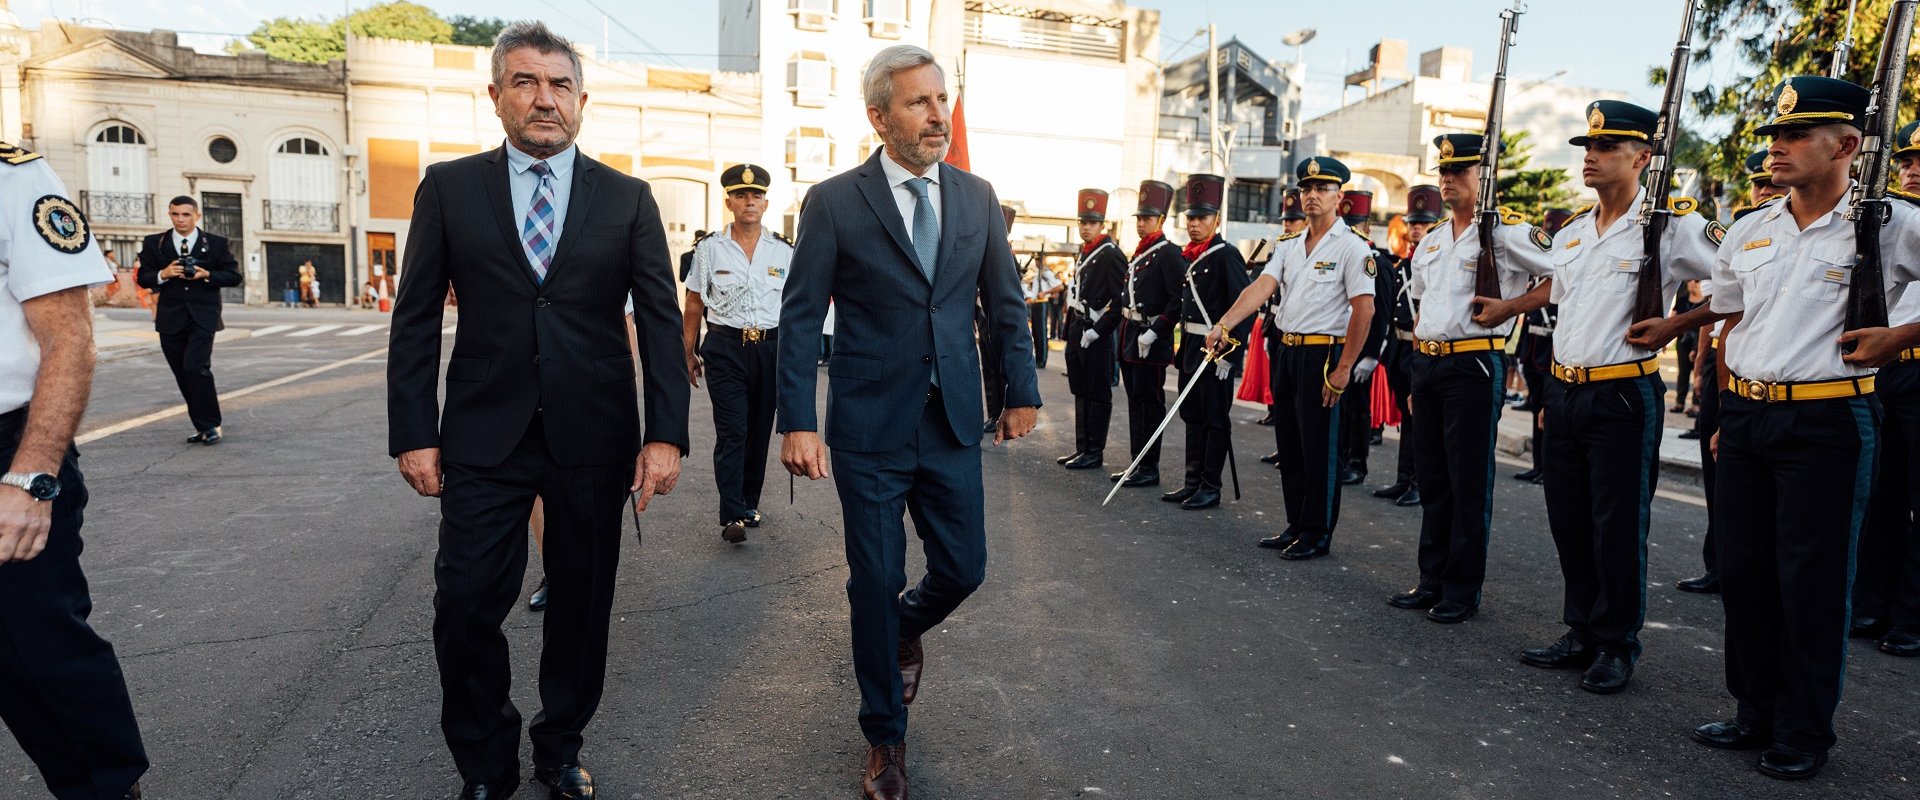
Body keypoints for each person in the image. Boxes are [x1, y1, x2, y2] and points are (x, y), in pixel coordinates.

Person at [385, 22, 689, 799]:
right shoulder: (450, 189)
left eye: (559, 85)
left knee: (583, 607)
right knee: (463, 604)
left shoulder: (627, 199)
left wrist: (666, 437)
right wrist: (414, 433)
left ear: (582, 101)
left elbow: (659, 321)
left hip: (595, 433)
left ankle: (559, 747)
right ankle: (486, 764)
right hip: (485, 435)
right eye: (525, 82)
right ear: (496, 97)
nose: (544, 98)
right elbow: (415, 315)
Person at [774, 44, 1039, 800]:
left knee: (964, 568)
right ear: (878, 116)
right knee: (876, 578)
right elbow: (799, 320)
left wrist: (1019, 390)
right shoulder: (834, 201)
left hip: (952, 419)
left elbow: (1006, 305)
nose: (937, 115)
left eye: (941, 99)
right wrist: (798, 419)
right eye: (919, 103)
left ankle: (903, 627)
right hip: (868, 425)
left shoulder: (977, 195)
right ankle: (884, 737)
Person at [1688, 76, 1920, 781]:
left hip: (1827, 417)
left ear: (1847, 145)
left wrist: (1900, 338)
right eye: (1774, 135)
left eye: (1796, 134)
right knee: (1746, 572)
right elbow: (1733, 319)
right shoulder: (1752, 228)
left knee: (1812, 581)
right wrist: (1727, 412)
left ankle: (1803, 729)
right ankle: (1753, 709)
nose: (1777, 146)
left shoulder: (1891, 221)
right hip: (1752, 415)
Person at [1517, 100, 1719, 696]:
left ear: (1643, 157)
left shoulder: (1672, 224)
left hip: (1624, 394)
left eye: (1605, 148)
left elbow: (1743, 284)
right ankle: (1580, 630)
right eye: (1587, 147)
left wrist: (1678, 324)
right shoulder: (1574, 232)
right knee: (1569, 521)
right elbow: (1571, 313)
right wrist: (1554, 388)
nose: (1591, 156)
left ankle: (1615, 643)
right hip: (1570, 390)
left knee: (1617, 525)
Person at [0, 142, 147, 800]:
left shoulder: (14, 178)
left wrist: (31, 475)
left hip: (9, 450)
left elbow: (69, 335)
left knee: (37, 657)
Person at [1389, 133, 1553, 624]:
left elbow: (1565, 275)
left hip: (1474, 364)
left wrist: (1511, 306)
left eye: (1460, 171)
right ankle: (1431, 578)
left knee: (1467, 480)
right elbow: (1422, 304)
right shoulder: (1434, 238)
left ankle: (1461, 588)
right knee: (1433, 476)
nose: (1448, 179)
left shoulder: (1508, 234)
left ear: (1485, 177)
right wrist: (1420, 367)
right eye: (1444, 172)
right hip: (1431, 364)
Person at [1206, 156, 1375, 557]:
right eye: (1307, 189)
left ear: (1340, 197)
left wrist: (1344, 368)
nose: (1312, 196)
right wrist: (1224, 324)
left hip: (1324, 353)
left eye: (1322, 189)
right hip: (1288, 350)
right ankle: (1296, 523)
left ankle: (1317, 532)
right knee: (1292, 444)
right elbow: (1260, 288)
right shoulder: (1289, 245)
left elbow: (1364, 309)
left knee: (1319, 449)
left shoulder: (1352, 247)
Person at [1678, 149, 1784, 595]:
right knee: (1719, 478)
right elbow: (1721, 311)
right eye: (1758, 184)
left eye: (1770, 184)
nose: (1763, 190)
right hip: (1729, 370)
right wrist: (1702, 365)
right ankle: (1718, 563)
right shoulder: (1745, 231)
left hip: (1782, 376)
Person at [684, 163, 793, 543]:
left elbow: (796, 307)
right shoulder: (709, 249)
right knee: (733, 430)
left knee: (760, 429)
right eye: (741, 195)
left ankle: (748, 502)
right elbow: (695, 302)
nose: (750, 201)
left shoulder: (784, 250)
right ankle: (731, 512)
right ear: (729, 201)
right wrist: (688, 351)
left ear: (765, 203)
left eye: (756, 196)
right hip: (725, 346)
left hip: (770, 347)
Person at [1854, 120, 1920, 657]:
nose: (1913, 170)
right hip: (1888, 370)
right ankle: (1873, 602)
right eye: (1907, 162)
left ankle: (1911, 615)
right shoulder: (1893, 221)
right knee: (1882, 494)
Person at [1160, 173, 1251, 511]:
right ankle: (1192, 481)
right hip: (1192, 350)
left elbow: (1245, 308)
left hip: (1217, 352)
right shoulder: (1191, 257)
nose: (1195, 224)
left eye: (1202, 218)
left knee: (1215, 419)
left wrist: (1231, 354)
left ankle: (1211, 486)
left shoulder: (1226, 255)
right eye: (1191, 218)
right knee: (1192, 415)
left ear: (1216, 219)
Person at [134, 195, 241, 447]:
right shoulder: (155, 243)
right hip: (170, 318)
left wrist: (207, 274)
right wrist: (164, 273)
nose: (180, 219)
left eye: (186, 215)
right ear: (169, 215)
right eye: (175, 214)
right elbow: (143, 278)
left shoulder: (215, 243)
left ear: (197, 216)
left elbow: (233, 276)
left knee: (196, 368)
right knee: (182, 373)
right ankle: (203, 426)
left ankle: (211, 424)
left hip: (203, 316)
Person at [1111, 180, 1184, 488]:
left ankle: (1149, 467)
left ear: (1161, 221)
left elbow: (1178, 299)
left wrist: (1157, 331)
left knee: (1150, 405)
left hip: (1151, 340)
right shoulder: (1141, 252)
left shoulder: (1167, 253)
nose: (1141, 223)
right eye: (1139, 218)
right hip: (1131, 336)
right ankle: (1136, 463)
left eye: (1147, 218)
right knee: (1135, 403)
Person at [1373, 184, 1439, 508]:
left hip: (1421, 351)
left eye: (1423, 224)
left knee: (1420, 421)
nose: (1415, 229)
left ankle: (1417, 482)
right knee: (1405, 417)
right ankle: (1403, 478)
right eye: (1413, 223)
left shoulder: (1436, 264)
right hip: (1399, 349)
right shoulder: (1401, 266)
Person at [1058, 189, 1126, 470]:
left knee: (1097, 393)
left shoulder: (1111, 254)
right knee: (1081, 391)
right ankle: (1082, 447)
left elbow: (1120, 300)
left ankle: (1094, 451)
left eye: (1091, 223)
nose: (1085, 227)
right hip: (1078, 328)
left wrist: (1100, 330)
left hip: (1096, 333)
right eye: (1082, 222)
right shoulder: (1084, 251)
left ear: (1102, 225)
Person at [1334, 189, 1392, 488]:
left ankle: (1357, 462)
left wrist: (1371, 355)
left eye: (1357, 224)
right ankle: (1341, 458)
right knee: (1340, 408)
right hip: (1340, 342)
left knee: (1357, 408)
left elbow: (1379, 312)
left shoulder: (1376, 260)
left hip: (1362, 346)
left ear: (1367, 226)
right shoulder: (1341, 254)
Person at [1511, 208, 1572, 486]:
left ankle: (1548, 468)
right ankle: (1537, 464)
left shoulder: (1565, 270)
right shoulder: (1541, 271)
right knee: (1537, 408)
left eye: (1553, 232)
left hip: (1552, 349)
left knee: (1550, 414)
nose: (1549, 237)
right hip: (1534, 347)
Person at [979, 205, 1016, 433]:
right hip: (982, 315)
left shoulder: (1007, 253)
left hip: (998, 318)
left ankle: (1001, 411)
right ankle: (992, 412)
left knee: (1000, 368)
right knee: (988, 367)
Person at [1022, 246, 1063, 369]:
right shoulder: (1038, 273)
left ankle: (1042, 359)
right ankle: (1038, 358)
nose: (1037, 262)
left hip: (1042, 303)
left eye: (1039, 259)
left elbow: (1059, 286)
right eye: (1036, 260)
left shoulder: (1047, 272)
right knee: (1036, 332)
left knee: (1041, 332)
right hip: (1035, 303)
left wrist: (1045, 293)